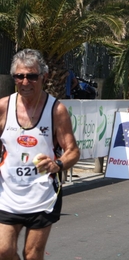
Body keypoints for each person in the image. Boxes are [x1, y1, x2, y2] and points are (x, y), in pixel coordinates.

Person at [0, 49, 80, 259]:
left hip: (42, 194)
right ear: (14, 77)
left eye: (32, 76)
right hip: (7, 194)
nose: (25, 82)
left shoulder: (56, 110)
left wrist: (58, 165)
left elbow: (72, 151)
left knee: (32, 255)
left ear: (43, 76)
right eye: (20, 76)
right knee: (3, 251)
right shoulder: (3, 107)